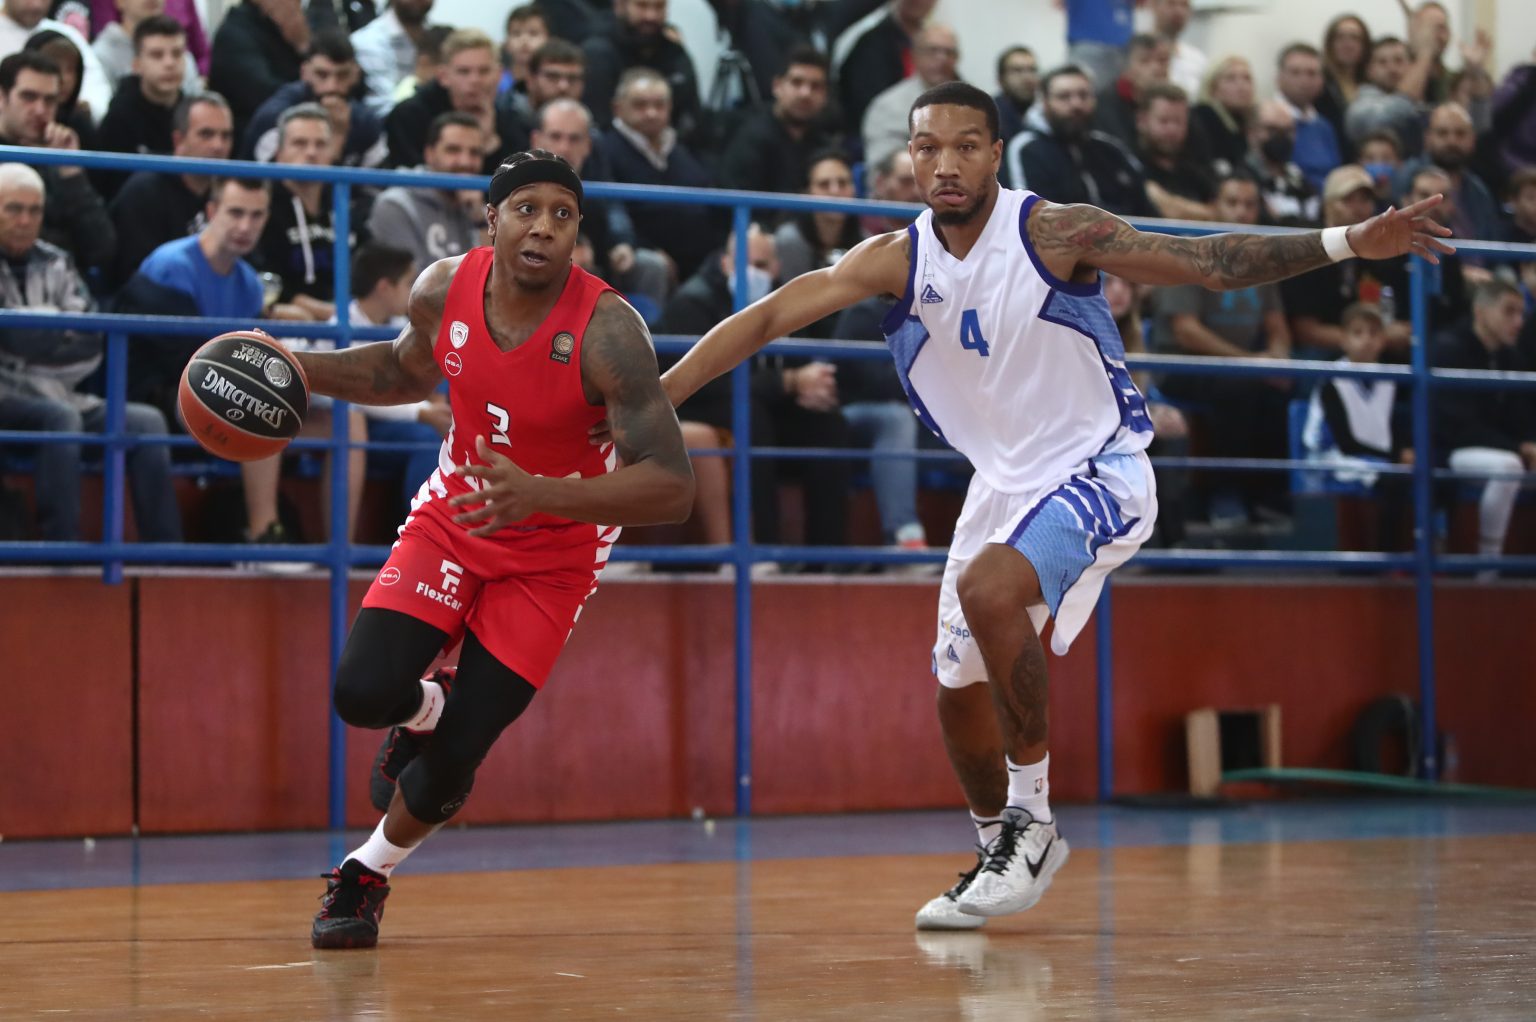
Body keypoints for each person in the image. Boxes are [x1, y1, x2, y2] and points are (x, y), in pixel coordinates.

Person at [651, 80, 1450, 929]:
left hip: (1098, 468)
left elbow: (1207, 263)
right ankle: (998, 848)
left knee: (989, 590)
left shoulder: (1054, 231)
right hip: (1000, 484)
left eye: (966, 146)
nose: (946, 164)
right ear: (908, 157)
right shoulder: (895, 257)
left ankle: (1032, 823)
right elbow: (768, 316)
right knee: (955, 689)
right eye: (928, 147)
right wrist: (656, 399)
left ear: (996, 153)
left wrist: (1346, 241)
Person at [299, 148, 693, 949]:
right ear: (491, 219)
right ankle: (424, 707)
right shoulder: (442, 288)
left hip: (555, 555)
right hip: (458, 518)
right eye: (526, 209)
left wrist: (542, 494)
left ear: (578, 232)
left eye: (562, 214)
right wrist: (295, 367)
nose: (543, 227)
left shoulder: (610, 330)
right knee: (362, 692)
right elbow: (400, 373)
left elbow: (670, 487)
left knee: (452, 762)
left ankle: (365, 873)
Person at [0, 162, 181, 543]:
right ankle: (62, 548)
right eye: (13, 209)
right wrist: (51, 328)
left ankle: (166, 554)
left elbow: (90, 341)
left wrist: (28, 334)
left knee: (146, 422)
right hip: (8, 396)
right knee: (61, 418)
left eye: (34, 211)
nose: (25, 221)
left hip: (60, 390)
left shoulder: (57, 260)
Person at [1434, 280, 1534, 564]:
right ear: (1480, 312)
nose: (1518, 322)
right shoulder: (1448, 349)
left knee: (1512, 463)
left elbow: (1522, 416)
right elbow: (1458, 427)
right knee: (1508, 467)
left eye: (1521, 313)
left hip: (1501, 448)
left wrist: (1528, 443)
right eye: (1509, 311)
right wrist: (1519, 448)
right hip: (1450, 452)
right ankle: (1488, 566)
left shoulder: (1511, 357)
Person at [106, 90, 231, 286]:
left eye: (226, 136)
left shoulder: (230, 192)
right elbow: (139, 279)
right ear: (178, 140)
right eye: (206, 134)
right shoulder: (144, 193)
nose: (218, 145)